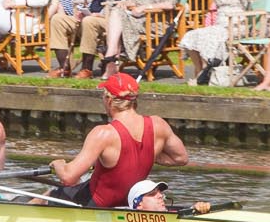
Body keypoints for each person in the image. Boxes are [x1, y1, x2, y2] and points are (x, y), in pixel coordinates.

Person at [48, 71, 189, 208]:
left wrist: (58, 164)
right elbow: (181, 158)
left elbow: (68, 177)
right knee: (76, 185)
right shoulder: (158, 124)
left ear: (109, 100)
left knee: (48, 195)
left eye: (103, 97)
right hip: (130, 202)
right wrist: (147, 156)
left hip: (96, 203)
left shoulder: (103, 133)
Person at [122, 178, 216, 218]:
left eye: (160, 193)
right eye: (152, 194)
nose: (160, 196)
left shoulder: (174, 214)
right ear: (139, 204)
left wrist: (198, 208)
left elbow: (187, 212)